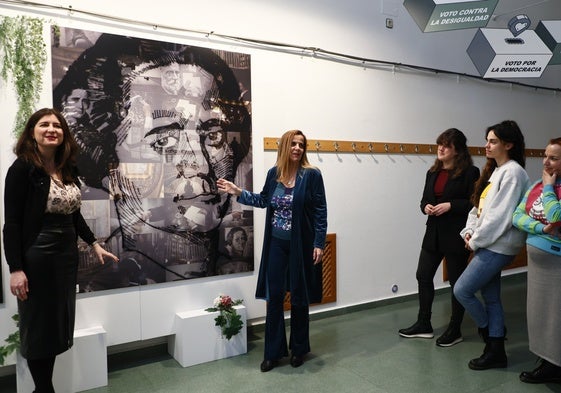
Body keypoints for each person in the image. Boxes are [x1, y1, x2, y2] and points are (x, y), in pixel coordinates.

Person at [52, 31, 252, 289]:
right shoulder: (102, 282)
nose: (199, 164)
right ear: (107, 164)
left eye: (214, 136)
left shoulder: (233, 264)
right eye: (164, 141)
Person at [3, 108, 119, 393]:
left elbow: (74, 214)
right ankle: (44, 389)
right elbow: (12, 224)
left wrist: (93, 244)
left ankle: (43, 388)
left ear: (64, 134)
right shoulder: (22, 169)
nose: (51, 129)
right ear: (33, 132)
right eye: (44, 125)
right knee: (38, 325)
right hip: (37, 255)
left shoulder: (68, 168)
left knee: (56, 324)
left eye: (57, 125)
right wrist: (16, 269)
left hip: (66, 257)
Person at [217, 129, 327, 372]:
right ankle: (274, 352)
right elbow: (264, 200)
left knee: (298, 297)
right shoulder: (273, 174)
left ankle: (299, 349)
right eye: (293, 144)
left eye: (301, 145)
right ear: (285, 147)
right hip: (276, 244)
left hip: (301, 244)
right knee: (274, 297)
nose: (297, 148)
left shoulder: (311, 175)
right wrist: (238, 192)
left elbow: (320, 210)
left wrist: (319, 242)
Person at [454, 120, 530, 370]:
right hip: (487, 242)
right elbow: (479, 208)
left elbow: (500, 217)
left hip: (499, 246)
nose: (487, 145)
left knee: (462, 290)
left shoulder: (513, 172)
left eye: (493, 141)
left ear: (508, 144)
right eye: (487, 140)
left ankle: (491, 336)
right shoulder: (496, 171)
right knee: (492, 298)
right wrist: (469, 232)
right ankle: (496, 350)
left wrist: (475, 241)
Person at [399, 128, 479, 346]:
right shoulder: (432, 172)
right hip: (433, 232)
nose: (441, 149)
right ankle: (424, 323)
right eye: (439, 144)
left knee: (457, 283)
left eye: (446, 145)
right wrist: (426, 207)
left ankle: (455, 329)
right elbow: (424, 199)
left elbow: (475, 203)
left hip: (456, 235)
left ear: (457, 150)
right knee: (423, 275)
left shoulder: (471, 172)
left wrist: (450, 205)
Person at [513, 137, 561, 384]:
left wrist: (549, 187)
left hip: (556, 265)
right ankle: (547, 358)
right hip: (538, 264)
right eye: (545, 156)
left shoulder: (546, 186)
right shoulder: (536, 186)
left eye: (553, 158)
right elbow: (517, 217)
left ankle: (555, 365)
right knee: (539, 314)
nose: (546, 162)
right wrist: (540, 229)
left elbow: (556, 215)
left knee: (555, 316)